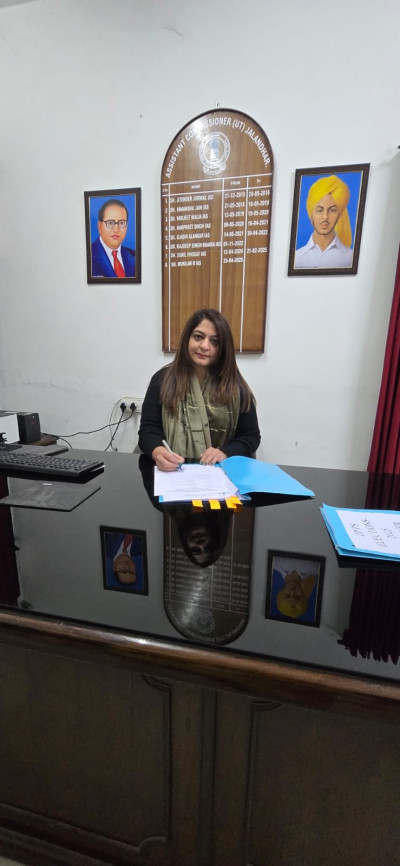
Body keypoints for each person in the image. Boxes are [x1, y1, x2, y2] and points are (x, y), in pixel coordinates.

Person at [138, 308, 260, 471]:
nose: (204, 346)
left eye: (214, 341)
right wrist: (159, 452)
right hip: (172, 473)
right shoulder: (162, 380)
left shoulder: (235, 387)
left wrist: (224, 452)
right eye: (198, 337)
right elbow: (148, 430)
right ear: (187, 338)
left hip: (220, 473)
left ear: (223, 348)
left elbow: (250, 436)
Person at [294, 175, 353, 269]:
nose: (325, 217)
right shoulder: (297, 258)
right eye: (319, 210)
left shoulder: (350, 258)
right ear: (311, 215)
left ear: (339, 215)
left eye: (332, 210)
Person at [91, 198, 135, 278]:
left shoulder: (135, 256)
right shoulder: (89, 254)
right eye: (110, 223)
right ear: (99, 226)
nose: (116, 229)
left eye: (122, 223)